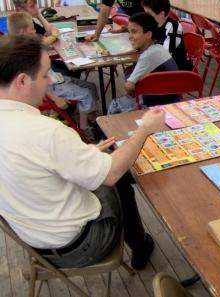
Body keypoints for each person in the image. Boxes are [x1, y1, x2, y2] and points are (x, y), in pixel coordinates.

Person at [0, 34, 165, 269]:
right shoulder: (46, 132)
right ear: (23, 81)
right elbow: (111, 174)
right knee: (119, 180)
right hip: (77, 246)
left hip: (33, 240)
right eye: (46, 74)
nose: (49, 82)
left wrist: (79, 154)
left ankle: (140, 242)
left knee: (110, 165)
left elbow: (32, 164)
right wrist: (145, 129)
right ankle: (141, 246)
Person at [7, 12, 100, 139]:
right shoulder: (24, 56)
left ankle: (92, 117)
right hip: (52, 88)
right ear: (23, 32)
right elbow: (37, 84)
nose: (35, 31)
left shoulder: (27, 45)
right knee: (86, 93)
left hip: (56, 79)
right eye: (32, 29)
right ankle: (83, 127)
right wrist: (55, 98)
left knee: (91, 87)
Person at [108, 12, 178, 114]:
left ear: (148, 34)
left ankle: (107, 129)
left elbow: (129, 86)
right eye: (129, 32)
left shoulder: (147, 55)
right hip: (174, 97)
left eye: (134, 32)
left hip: (156, 102)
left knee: (115, 104)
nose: (130, 36)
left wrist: (132, 89)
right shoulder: (159, 47)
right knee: (130, 72)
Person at [13, 0, 82, 78]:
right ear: (20, 9)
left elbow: (48, 32)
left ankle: (73, 86)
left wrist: (39, 15)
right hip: (36, 71)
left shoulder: (30, 22)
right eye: (32, 6)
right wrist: (53, 37)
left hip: (41, 64)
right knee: (73, 70)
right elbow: (40, 42)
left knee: (75, 68)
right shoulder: (22, 26)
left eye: (36, 5)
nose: (37, 8)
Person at [141, 0, 191, 70]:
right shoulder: (152, 24)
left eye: (149, 14)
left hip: (176, 71)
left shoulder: (174, 27)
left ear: (161, 13)